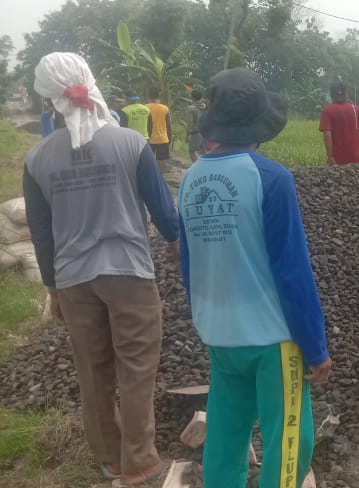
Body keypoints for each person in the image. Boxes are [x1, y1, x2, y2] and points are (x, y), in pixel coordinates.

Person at [23, 52, 178, 487]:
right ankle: (140, 462)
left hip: (73, 280)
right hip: (128, 273)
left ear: (49, 99)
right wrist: (175, 245)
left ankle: (109, 459)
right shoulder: (130, 143)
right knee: (136, 368)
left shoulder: (37, 159)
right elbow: (165, 215)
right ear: (91, 83)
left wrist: (53, 288)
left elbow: (41, 234)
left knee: (93, 371)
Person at [178, 67, 331, 488]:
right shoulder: (270, 178)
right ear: (259, 125)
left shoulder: (190, 180)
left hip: (220, 335)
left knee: (226, 432)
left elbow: (189, 265)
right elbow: (292, 270)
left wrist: (205, 321)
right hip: (271, 340)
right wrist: (316, 347)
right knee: (288, 437)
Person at [320, 81, 359, 165]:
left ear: (331, 95)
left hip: (338, 161)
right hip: (358, 159)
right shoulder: (356, 109)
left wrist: (330, 158)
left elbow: (327, 135)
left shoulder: (327, 111)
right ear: (345, 94)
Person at [146, 93, 172, 172]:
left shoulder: (145, 108)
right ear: (159, 97)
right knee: (161, 160)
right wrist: (169, 138)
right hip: (162, 138)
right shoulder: (165, 108)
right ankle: (161, 178)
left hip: (149, 138)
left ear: (149, 97)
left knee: (148, 161)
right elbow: (169, 125)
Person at [186, 90, 206, 162]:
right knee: (204, 153)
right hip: (205, 132)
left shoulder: (191, 108)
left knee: (192, 152)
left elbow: (190, 123)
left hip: (195, 133)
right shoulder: (205, 107)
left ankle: (199, 167)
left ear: (193, 98)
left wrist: (188, 134)